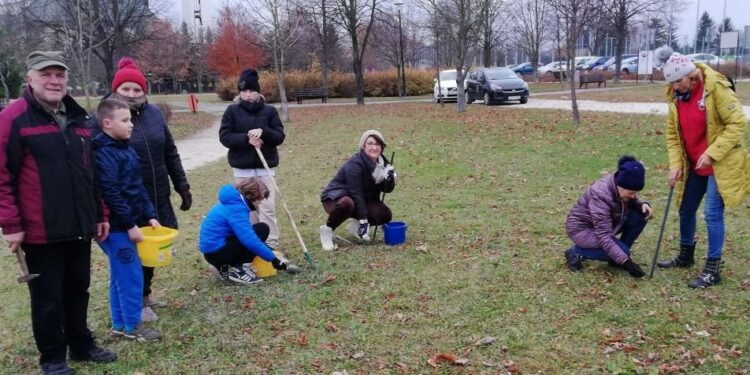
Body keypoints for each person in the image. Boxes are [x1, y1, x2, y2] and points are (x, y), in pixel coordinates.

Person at [0, 50, 116, 374]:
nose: (54, 81)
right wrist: (10, 223)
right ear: (30, 79)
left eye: (59, 75)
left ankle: (81, 345)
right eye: (46, 74)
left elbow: (90, 172)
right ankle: (52, 358)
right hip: (40, 230)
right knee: (48, 298)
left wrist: (100, 213)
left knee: (78, 289)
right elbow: (2, 175)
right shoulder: (13, 119)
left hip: (79, 224)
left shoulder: (79, 118)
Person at [92, 57, 191, 320]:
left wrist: (181, 184)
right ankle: (134, 303)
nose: (132, 94)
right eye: (126, 89)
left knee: (152, 246)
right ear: (116, 90)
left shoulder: (154, 114)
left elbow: (170, 151)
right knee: (130, 252)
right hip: (125, 199)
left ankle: (145, 294)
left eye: (137, 89)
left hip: (155, 194)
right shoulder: (103, 120)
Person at [654, 46, 750, 288]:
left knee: (712, 213)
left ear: (691, 73)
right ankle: (686, 256)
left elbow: (737, 123)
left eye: (679, 81)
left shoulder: (715, 87)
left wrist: (712, 153)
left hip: (720, 162)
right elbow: (673, 135)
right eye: (672, 83)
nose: (675, 87)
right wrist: (676, 165)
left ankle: (713, 268)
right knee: (686, 209)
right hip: (694, 162)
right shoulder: (675, 95)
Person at [92, 98, 162, 342]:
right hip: (117, 227)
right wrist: (131, 225)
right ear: (107, 123)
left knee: (119, 275)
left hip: (130, 221)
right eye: (125, 121)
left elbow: (137, 186)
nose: (131, 125)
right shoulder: (103, 154)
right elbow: (110, 192)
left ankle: (120, 324)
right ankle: (133, 326)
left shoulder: (126, 149)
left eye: (130, 119)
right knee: (131, 275)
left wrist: (150, 214)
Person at [219, 68, 285, 249]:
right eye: (244, 91)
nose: (248, 95)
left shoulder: (269, 111)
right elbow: (225, 137)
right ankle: (254, 241)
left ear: (258, 91)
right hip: (243, 169)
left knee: (267, 206)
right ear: (240, 92)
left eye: (251, 91)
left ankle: (271, 242)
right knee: (248, 207)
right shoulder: (232, 111)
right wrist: (246, 139)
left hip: (265, 167)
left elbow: (279, 136)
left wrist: (264, 133)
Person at [199, 177, 300, 285]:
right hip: (218, 252)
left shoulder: (233, 202)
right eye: (260, 199)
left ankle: (222, 266)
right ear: (251, 195)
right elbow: (250, 240)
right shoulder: (237, 209)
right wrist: (274, 261)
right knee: (262, 229)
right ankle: (239, 270)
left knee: (254, 233)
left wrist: (270, 251)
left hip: (213, 252)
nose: (260, 203)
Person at [564, 156, 653, 277]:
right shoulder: (601, 195)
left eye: (636, 193)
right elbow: (603, 236)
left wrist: (641, 205)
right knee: (624, 253)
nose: (633, 196)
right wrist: (627, 263)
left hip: (606, 223)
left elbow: (629, 200)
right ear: (620, 186)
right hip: (581, 230)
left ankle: (615, 258)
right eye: (631, 193)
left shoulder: (620, 185)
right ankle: (576, 252)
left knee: (640, 215)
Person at [319, 130, 396, 251]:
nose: (374, 147)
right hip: (336, 198)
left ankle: (355, 227)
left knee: (384, 214)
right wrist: (364, 221)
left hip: (361, 198)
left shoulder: (382, 163)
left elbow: (388, 189)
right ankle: (328, 231)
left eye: (378, 144)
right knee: (347, 203)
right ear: (363, 145)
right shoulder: (355, 164)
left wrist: (389, 179)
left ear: (382, 147)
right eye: (370, 143)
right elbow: (356, 193)